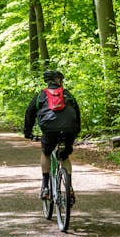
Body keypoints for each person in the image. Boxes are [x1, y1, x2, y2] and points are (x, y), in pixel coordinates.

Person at [24, 69, 81, 200]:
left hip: (49, 131)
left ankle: (45, 188)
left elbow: (29, 113)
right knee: (65, 156)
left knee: (46, 153)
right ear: (58, 81)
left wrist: (28, 132)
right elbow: (77, 113)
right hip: (69, 130)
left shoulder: (41, 95)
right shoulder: (68, 94)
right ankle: (70, 188)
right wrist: (76, 131)